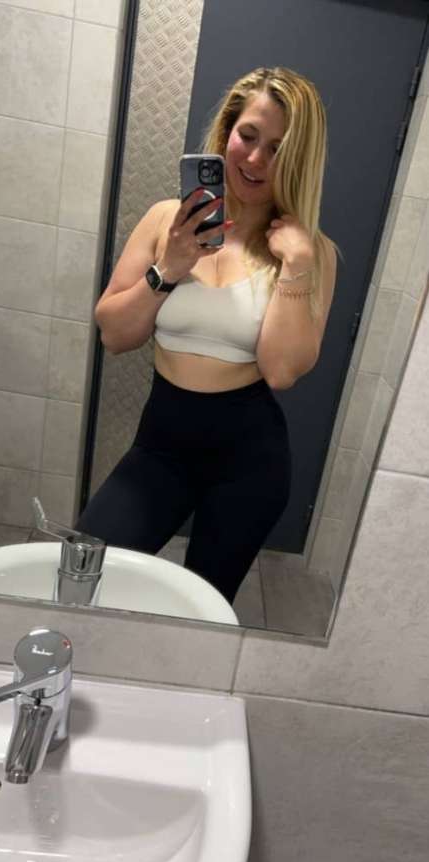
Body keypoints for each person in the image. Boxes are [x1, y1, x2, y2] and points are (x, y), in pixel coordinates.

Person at [76, 66, 338, 604]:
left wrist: (296, 266)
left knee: (202, 610)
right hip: (161, 446)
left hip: (250, 463)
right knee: (83, 571)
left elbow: (281, 371)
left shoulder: (313, 253)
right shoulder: (165, 220)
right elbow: (114, 335)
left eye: (278, 148)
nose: (256, 159)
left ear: (299, 159)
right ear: (227, 131)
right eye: (249, 135)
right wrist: (169, 268)